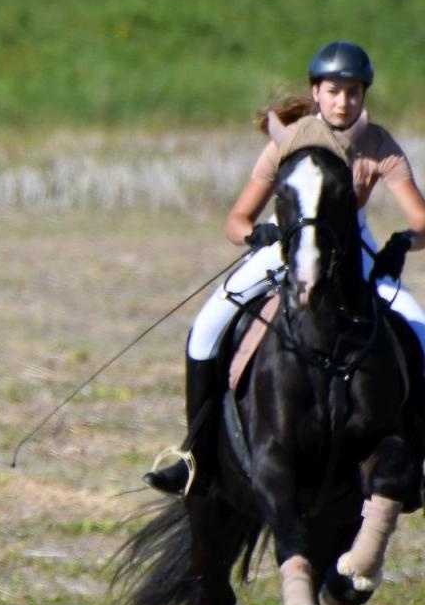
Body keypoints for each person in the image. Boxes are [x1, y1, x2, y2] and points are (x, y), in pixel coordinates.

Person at [145, 41, 425, 495]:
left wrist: (402, 244)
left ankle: (414, 451)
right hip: (285, 241)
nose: (343, 101)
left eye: (353, 91)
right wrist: (254, 236)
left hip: (354, 247)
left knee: (419, 327)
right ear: (316, 92)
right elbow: (236, 220)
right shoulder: (289, 142)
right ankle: (193, 453)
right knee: (207, 326)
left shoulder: (379, 145)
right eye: (333, 91)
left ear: (363, 95)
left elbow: (421, 220)